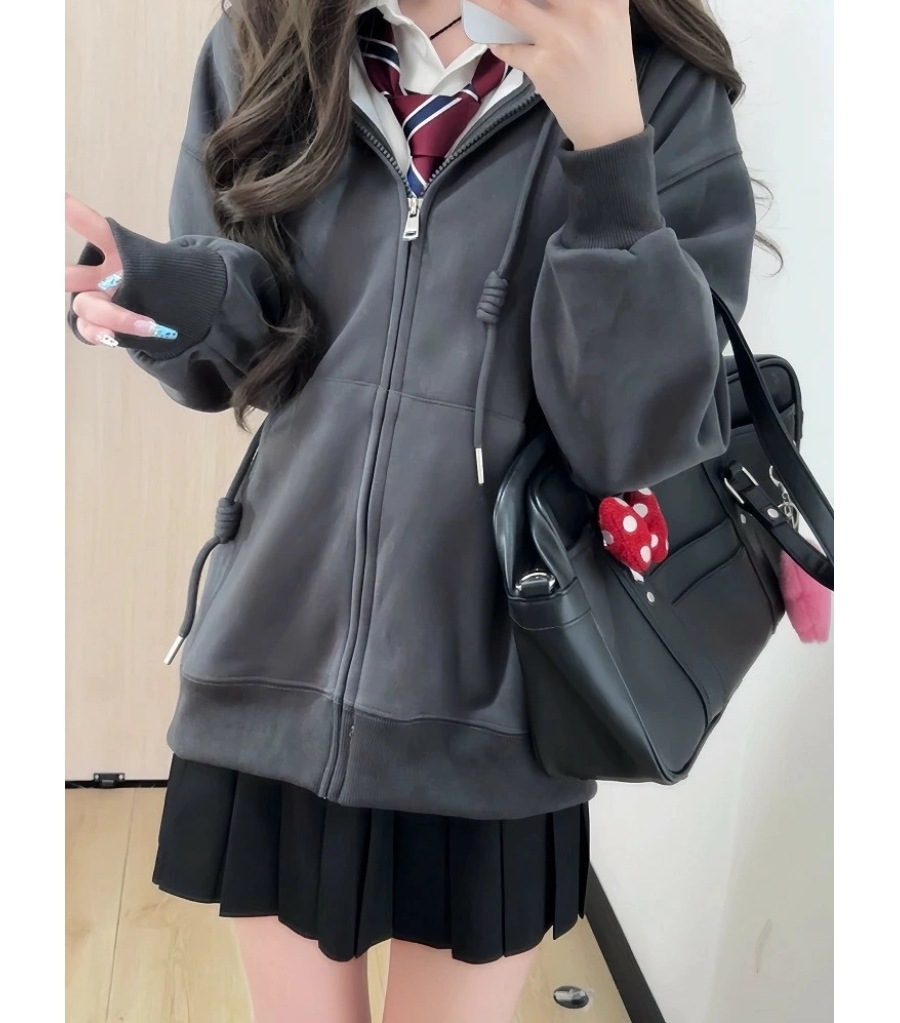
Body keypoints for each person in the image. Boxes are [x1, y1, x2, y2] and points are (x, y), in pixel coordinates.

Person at [64, 0, 759, 1020]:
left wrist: (611, 150)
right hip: (278, 654)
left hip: (496, 701)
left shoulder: (653, 75)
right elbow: (260, 346)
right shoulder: (266, 38)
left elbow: (635, 439)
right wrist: (171, 293)